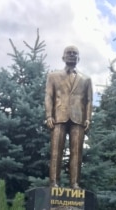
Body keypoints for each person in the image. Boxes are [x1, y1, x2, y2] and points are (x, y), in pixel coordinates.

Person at [45, 46, 93, 189]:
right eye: (69, 53)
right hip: (58, 117)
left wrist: (88, 118)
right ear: (63, 57)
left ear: (78, 58)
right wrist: (48, 115)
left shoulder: (86, 79)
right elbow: (48, 96)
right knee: (55, 152)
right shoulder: (53, 76)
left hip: (78, 118)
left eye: (75, 53)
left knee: (77, 153)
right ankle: (54, 182)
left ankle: (75, 183)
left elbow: (89, 100)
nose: (72, 55)